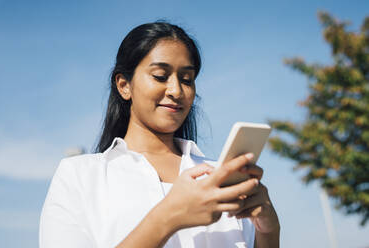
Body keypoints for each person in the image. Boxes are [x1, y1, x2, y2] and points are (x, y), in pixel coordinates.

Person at [39, 22, 280, 248]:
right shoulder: (79, 175)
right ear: (124, 85)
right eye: (160, 76)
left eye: (187, 79)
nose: (176, 90)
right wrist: (169, 216)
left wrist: (268, 231)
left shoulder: (217, 176)